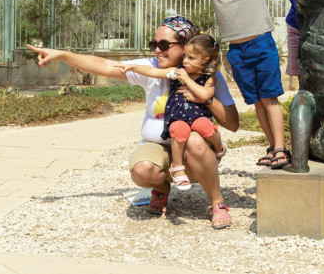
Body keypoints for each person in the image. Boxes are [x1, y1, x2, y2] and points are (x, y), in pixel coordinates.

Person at [26, 15, 238, 230]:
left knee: (194, 139)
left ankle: (217, 202)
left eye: (164, 45)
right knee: (142, 170)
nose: (157, 50)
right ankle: (162, 188)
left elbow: (233, 123)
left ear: (185, 46)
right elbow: (104, 64)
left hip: (195, 152)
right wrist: (61, 55)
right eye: (153, 44)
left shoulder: (207, 75)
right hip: (158, 145)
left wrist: (206, 98)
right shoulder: (151, 68)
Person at [114, 0, 292, 169]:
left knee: (270, 98)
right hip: (237, 51)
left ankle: (282, 149)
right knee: (257, 101)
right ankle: (272, 147)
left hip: (261, 42)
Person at [119, 33, 227, 191]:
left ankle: (219, 149)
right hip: (179, 117)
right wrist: (133, 67)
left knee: (205, 126)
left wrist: (187, 80)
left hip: (198, 116)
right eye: (184, 56)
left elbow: (205, 95)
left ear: (204, 59)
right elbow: (153, 72)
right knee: (178, 130)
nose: (185, 61)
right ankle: (177, 168)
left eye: (191, 58)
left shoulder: (209, 78)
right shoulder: (177, 71)